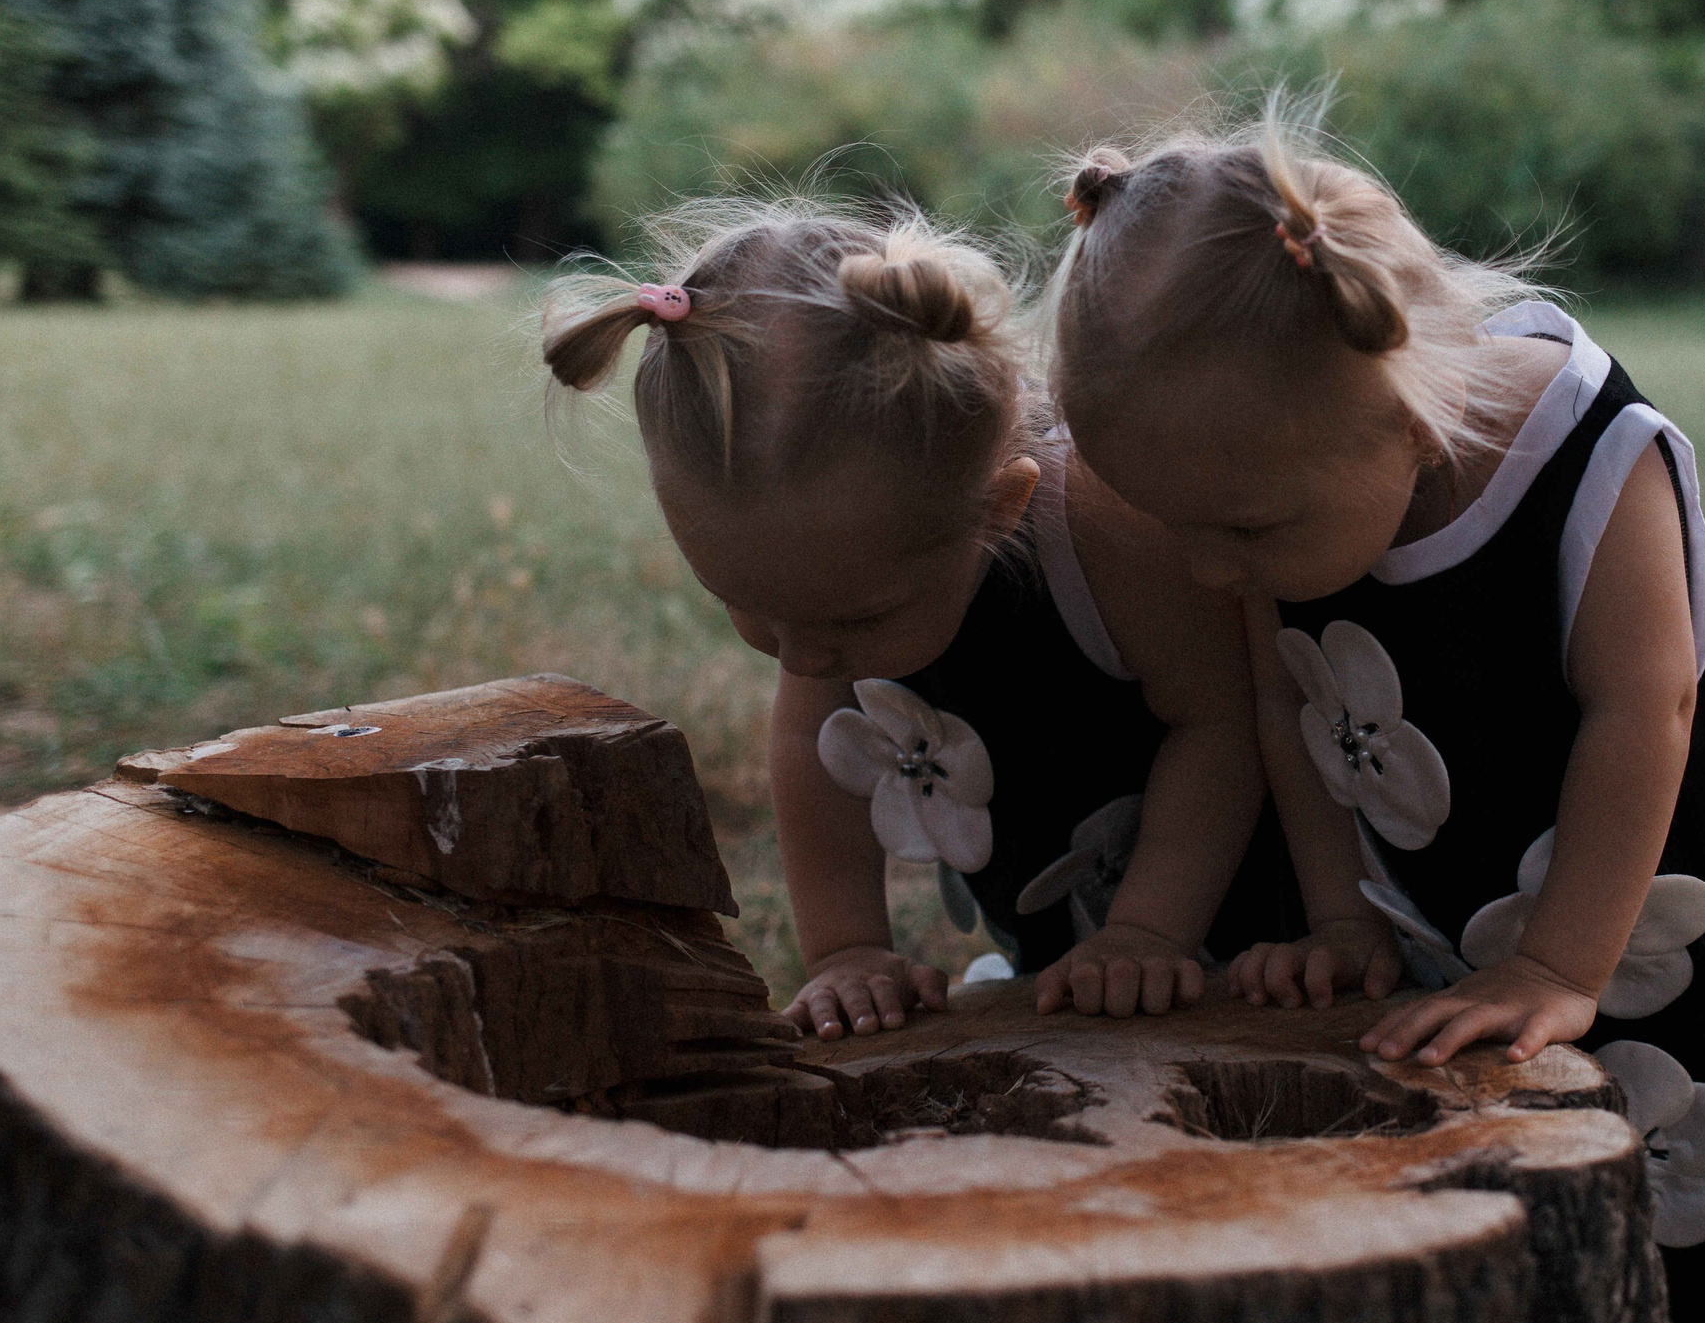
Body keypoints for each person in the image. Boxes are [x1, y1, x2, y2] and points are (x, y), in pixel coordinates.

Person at [1045, 117, 1705, 1323]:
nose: (1211, 571)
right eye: (1176, 532)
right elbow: (1288, 702)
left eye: (1242, 533)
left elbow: (1646, 711)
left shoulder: (1588, 455)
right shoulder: (1280, 475)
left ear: (1408, 412)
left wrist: (1557, 965)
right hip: (1452, 940)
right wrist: (1343, 915)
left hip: (1655, 950)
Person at [542, 198, 1300, 1043]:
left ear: (1001, 508)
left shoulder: (1105, 532)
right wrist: (847, 951)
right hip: (1064, 972)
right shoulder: (827, 591)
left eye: (859, 618)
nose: (802, 653)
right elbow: (810, 752)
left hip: (1270, 944)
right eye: (743, 606)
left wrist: (1148, 933)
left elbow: (1220, 722)